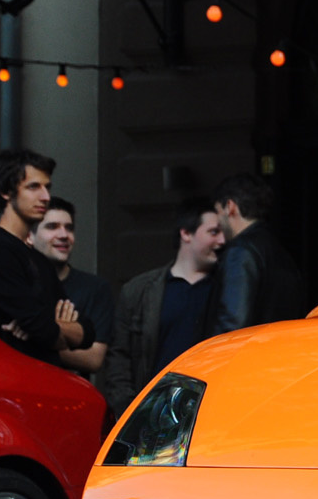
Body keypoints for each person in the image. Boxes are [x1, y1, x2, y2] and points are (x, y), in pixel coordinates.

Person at [0, 149, 93, 365]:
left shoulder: (39, 259)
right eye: (33, 187)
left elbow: (88, 332)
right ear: (6, 192)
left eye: (47, 187)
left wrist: (49, 325)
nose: (45, 197)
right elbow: (42, 329)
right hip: (10, 383)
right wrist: (47, 327)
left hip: (42, 381)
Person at [106, 198, 225, 415]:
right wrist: (128, 409)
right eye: (214, 232)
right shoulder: (139, 291)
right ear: (186, 234)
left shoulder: (226, 291)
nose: (222, 240)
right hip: (151, 414)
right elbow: (119, 357)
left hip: (207, 411)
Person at [201, 172, 306, 337]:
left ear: (230, 207)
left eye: (218, 211)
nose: (218, 221)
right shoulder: (276, 248)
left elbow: (232, 324)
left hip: (245, 357)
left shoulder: (241, 252)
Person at [30, 197, 114, 383]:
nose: (64, 235)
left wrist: (32, 335)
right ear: (30, 236)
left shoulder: (95, 288)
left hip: (69, 397)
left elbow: (93, 358)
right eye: (52, 226)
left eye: (69, 228)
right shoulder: (14, 286)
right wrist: (65, 335)